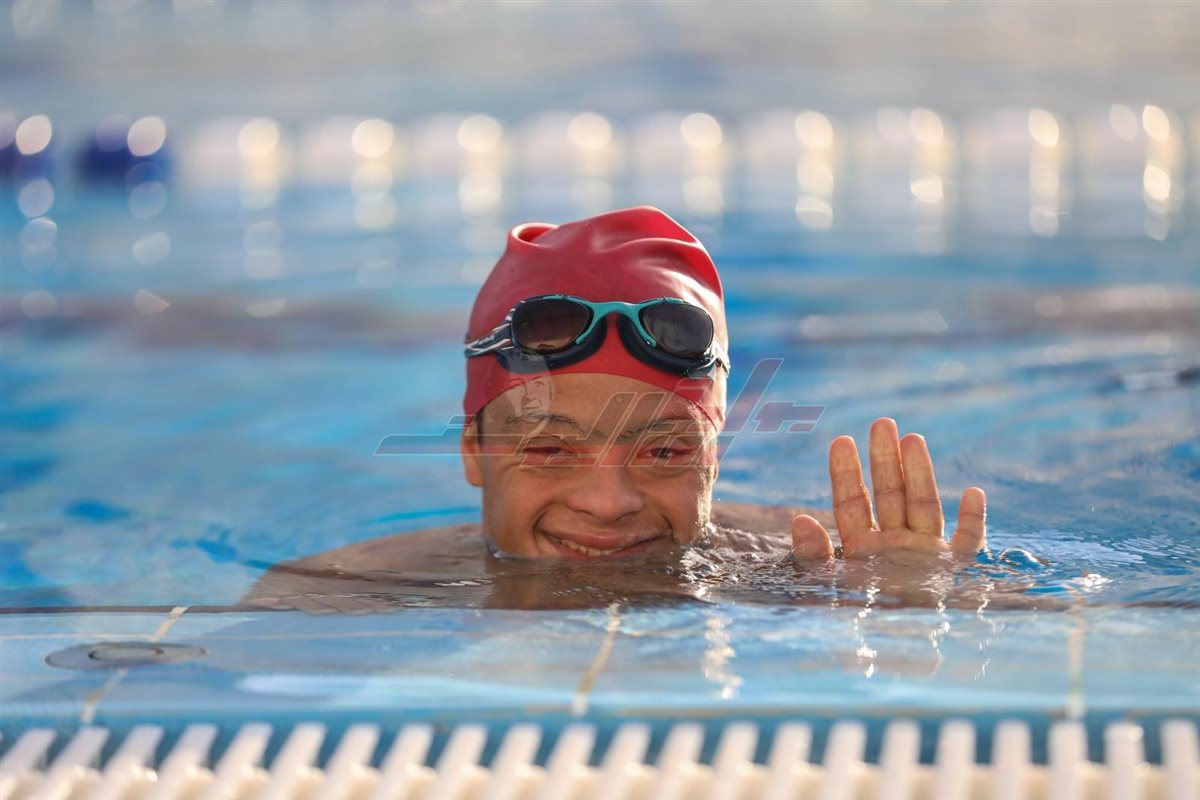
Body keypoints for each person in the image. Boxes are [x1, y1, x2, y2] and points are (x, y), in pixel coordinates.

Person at [244, 207, 990, 613]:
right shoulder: (331, 596)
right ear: (474, 450)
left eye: (664, 452)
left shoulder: (831, 566)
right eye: (549, 450)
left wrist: (917, 602)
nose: (609, 504)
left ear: (714, 458)